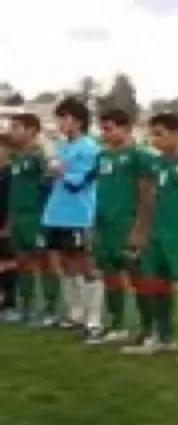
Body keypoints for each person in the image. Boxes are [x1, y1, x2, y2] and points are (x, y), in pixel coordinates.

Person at [121, 113, 178, 356]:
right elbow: (148, 199)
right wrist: (140, 231)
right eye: (152, 134)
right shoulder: (156, 163)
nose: (154, 139)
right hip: (157, 235)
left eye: (159, 134)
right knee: (156, 284)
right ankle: (164, 337)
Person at [66, 109, 157, 345]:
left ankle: (149, 328)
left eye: (109, 129)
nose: (104, 134)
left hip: (127, 224)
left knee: (138, 277)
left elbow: (147, 194)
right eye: (102, 129)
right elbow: (94, 188)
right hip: (105, 225)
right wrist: (93, 225)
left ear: (125, 128)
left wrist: (140, 228)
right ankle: (117, 324)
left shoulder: (140, 156)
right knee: (110, 275)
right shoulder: (102, 157)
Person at [42, 97, 102, 335]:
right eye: (59, 118)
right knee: (65, 263)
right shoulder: (61, 146)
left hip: (79, 213)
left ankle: (93, 318)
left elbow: (80, 183)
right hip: (57, 212)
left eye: (64, 118)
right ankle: (75, 312)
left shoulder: (89, 148)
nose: (60, 123)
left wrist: (61, 172)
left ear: (78, 121)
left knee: (85, 263)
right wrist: (52, 172)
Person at [5, 114, 60, 326]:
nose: (12, 131)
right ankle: (26, 306)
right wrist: (10, 219)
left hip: (36, 216)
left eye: (16, 127)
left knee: (44, 261)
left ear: (31, 130)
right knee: (22, 262)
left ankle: (50, 308)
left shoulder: (40, 156)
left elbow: (51, 182)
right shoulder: (16, 157)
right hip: (17, 216)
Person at [0, 134, 17, 316]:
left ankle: (10, 300)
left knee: (8, 260)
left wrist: (8, 223)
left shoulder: (11, 173)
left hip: (6, 220)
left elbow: (12, 200)